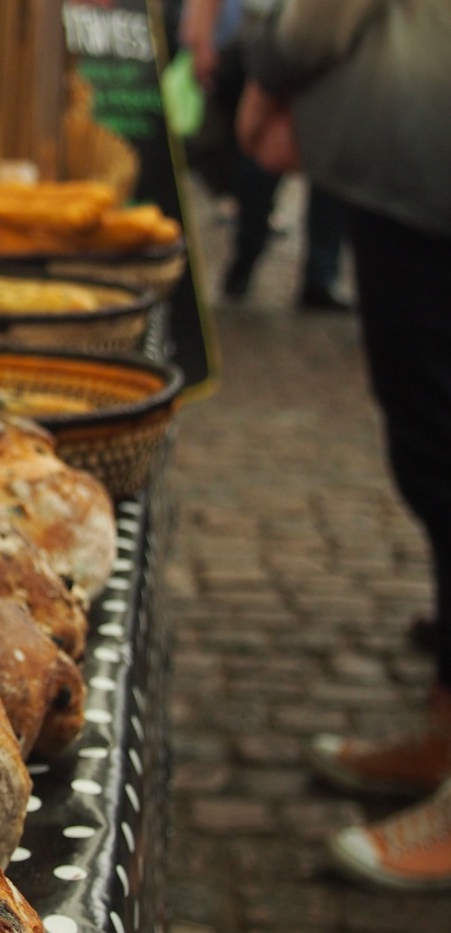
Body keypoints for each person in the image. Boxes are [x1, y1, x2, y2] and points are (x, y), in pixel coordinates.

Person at [246, 0, 451, 891]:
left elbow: (315, 19)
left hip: (423, 157)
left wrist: (268, 60)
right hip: (418, 156)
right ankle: (448, 722)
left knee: (438, 448)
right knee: (434, 450)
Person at [181, 0, 351, 310]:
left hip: (330, 55)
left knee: (330, 167)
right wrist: (201, 40)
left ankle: (320, 275)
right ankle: (246, 256)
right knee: (260, 160)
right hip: (270, 42)